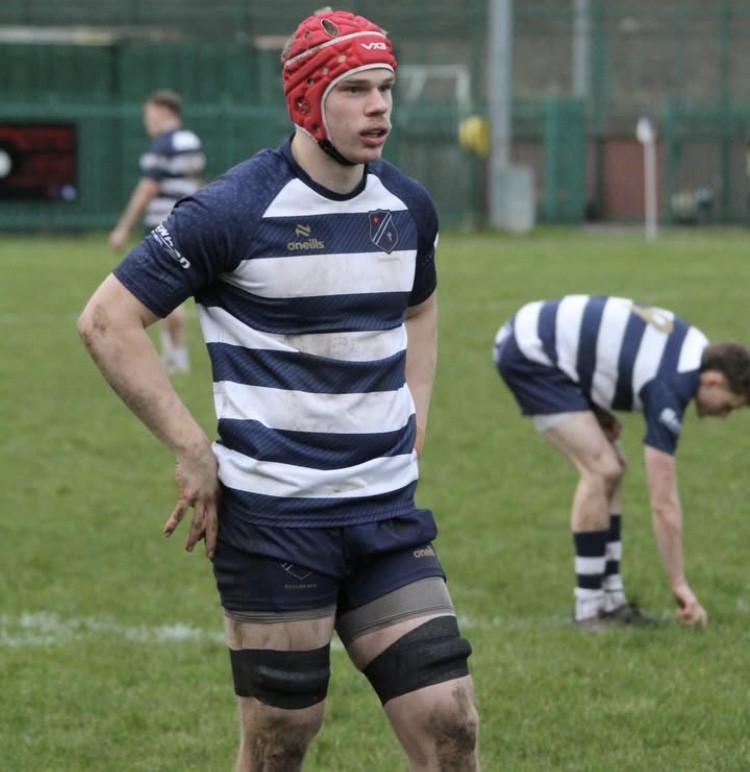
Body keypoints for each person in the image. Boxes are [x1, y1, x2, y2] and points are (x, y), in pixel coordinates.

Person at [78, 8, 479, 771]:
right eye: (355, 89)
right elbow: (105, 321)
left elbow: (420, 306)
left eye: (386, 88)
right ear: (307, 100)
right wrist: (192, 450)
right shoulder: (232, 210)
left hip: (384, 512)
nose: (379, 108)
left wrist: (416, 417)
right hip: (274, 522)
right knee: (280, 741)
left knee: (449, 722)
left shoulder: (408, 207)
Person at [493, 294, 750, 632]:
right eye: (728, 405)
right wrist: (678, 583)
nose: (724, 415)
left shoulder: (697, 350)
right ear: (714, 380)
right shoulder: (672, 385)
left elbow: (611, 351)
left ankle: (612, 600)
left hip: (549, 347)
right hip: (530, 351)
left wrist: (596, 408)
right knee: (601, 469)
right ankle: (588, 610)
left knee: (614, 464)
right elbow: (663, 504)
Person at [108, 88, 206, 375]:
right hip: (188, 221)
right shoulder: (191, 141)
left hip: (164, 224)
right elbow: (196, 181)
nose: (146, 120)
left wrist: (123, 227)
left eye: (148, 113)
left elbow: (148, 187)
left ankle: (174, 355)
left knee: (164, 292)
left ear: (163, 112)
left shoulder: (163, 145)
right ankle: (176, 354)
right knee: (176, 288)